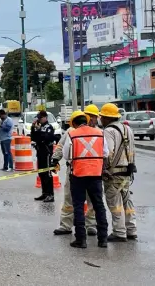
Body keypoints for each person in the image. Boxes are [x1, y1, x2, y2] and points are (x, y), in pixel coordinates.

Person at [57, 110, 109, 248]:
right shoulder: (99, 133)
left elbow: (67, 155)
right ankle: (103, 239)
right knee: (99, 206)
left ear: (73, 123)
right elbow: (105, 153)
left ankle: (81, 239)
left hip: (78, 174)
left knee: (78, 206)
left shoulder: (72, 134)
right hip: (96, 175)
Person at [52, 104, 100, 236]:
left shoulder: (98, 133)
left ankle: (91, 225)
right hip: (75, 170)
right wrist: (55, 159)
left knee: (91, 200)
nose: (94, 120)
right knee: (69, 198)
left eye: (95, 117)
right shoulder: (71, 131)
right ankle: (66, 225)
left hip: (91, 170)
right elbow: (61, 146)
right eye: (92, 117)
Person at [99, 103, 138, 242]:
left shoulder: (109, 131)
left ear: (106, 118)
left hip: (113, 173)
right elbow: (132, 150)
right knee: (127, 201)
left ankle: (119, 232)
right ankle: (131, 229)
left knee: (114, 202)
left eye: (102, 117)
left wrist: (104, 168)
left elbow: (108, 152)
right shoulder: (127, 129)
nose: (100, 120)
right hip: (127, 171)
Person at [30, 110, 55, 202]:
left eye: (41, 118)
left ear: (45, 117)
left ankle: (50, 194)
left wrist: (39, 130)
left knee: (47, 174)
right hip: (40, 152)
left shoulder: (49, 127)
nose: (39, 120)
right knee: (41, 173)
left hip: (47, 153)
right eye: (38, 118)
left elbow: (48, 137)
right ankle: (44, 193)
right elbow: (34, 137)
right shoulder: (39, 127)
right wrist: (33, 128)